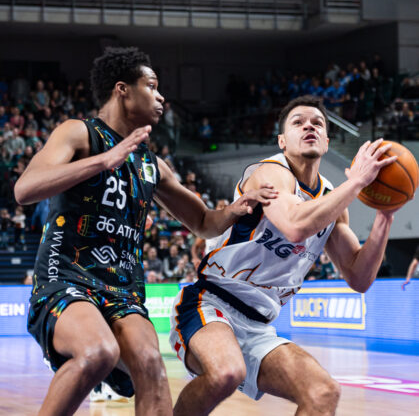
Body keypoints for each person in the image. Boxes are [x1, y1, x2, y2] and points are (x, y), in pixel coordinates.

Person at [14, 46, 276, 416]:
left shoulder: (153, 164)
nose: (161, 96)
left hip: (123, 289)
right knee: (98, 352)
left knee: (152, 366)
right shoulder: (78, 133)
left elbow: (203, 222)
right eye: (151, 86)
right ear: (123, 90)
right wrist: (104, 160)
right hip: (66, 277)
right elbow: (24, 190)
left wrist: (236, 208)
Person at [169, 95, 403, 416]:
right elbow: (294, 227)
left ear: (326, 140)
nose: (309, 125)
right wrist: (357, 182)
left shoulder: (332, 200)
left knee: (322, 393)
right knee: (226, 372)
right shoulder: (269, 173)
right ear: (282, 141)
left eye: (317, 123)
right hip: (210, 304)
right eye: (298, 122)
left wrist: (385, 215)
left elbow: (359, 276)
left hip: (260, 326)